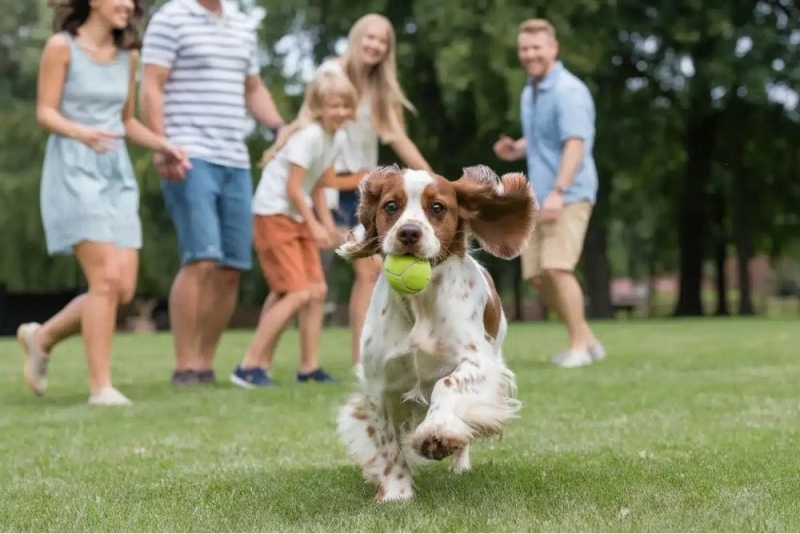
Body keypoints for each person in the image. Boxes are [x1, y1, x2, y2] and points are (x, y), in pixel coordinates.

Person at [17, 0, 190, 406]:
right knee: (104, 280)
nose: (128, 6)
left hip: (117, 175)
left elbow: (126, 121)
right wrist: (83, 134)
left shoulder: (128, 56)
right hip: (74, 169)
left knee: (122, 288)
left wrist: (163, 145)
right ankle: (101, 387)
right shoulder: (61, 47)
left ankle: (41, 337)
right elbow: (45, 112)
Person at [139, 0, 286, 386]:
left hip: (235, 159)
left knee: (231, 267)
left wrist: (278, 127)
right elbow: (152, 83)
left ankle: (204, 362)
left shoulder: (241, 23)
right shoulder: (171, 17)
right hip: (187, 154)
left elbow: (252, 88)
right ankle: (184, 364)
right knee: (201, 257)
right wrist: (160, 144)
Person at [311, 13, 432, 374]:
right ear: (356, 36)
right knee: (312, 277)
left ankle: (362, 361)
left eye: (383, 41)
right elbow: (311, 123)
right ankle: (306, 364)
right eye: (370, 37)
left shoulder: (382, 88)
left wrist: (432, 177)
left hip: (362, 192)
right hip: (325, 186)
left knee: (370, 273)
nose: (375, 45)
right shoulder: (330, 74)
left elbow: (397, 137)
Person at [229, 71, 357, 387]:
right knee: (297, 292)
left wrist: (327, 226)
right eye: (334, 106)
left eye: (346, 106)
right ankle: (247, 367)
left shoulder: (336, 137)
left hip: (296, 215)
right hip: (274, 214)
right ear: (317, 107)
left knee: (316, 291)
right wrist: (313, 224)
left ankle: (309, 368)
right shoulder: (309, 136)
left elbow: (319, 184)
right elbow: (294, 188)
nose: (341, 112)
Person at [493, 18, 606, 368]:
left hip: (569, 192)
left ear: (553, 49)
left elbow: (574, 143)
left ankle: (578, 348)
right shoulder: (531, 92)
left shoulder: (568, 91)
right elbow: (545, 139)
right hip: (539, 195)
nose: (530, 55)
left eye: (537, 47)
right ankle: (587, 339)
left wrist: (559, 191)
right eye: (524, 49)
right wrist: (517, 149)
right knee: (536, 275)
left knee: (557, 268)